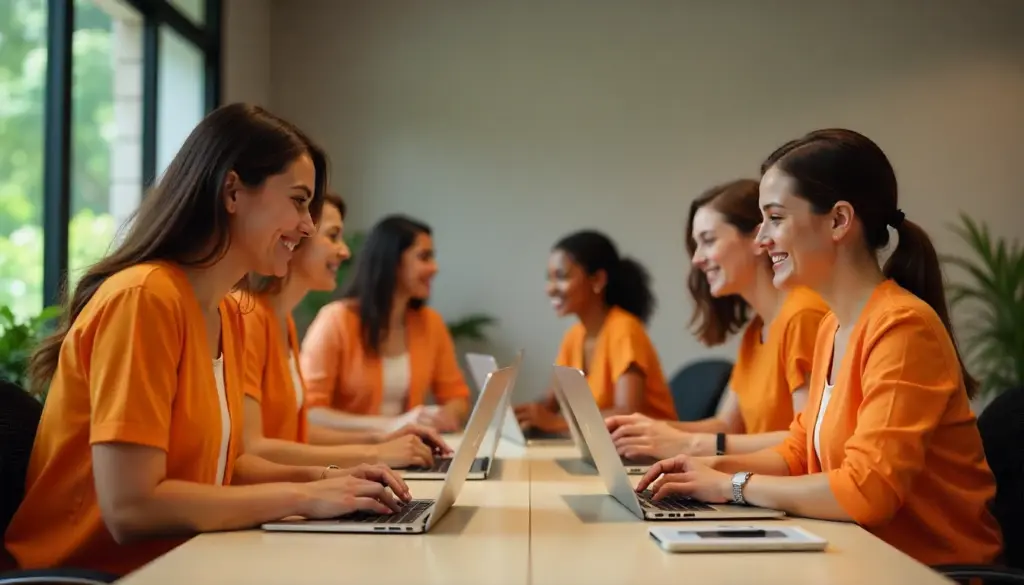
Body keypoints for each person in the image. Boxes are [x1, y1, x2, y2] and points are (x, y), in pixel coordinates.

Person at [3, 104, 410, 577]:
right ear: (232, 191)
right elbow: (132, 508)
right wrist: (304, 496)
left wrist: (332, 481)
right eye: (299, 201)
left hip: (181, 561)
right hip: (94, 574)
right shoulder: (144, 299)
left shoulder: (226, 311)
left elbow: (224, 468)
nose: (307, 226)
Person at [637, 128, 1003, 566]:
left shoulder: (904, 328)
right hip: (855, 557)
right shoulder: (834, 326)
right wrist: (709, 470)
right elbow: (800, 449)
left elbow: (869, 492)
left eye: (775, 218)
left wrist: (732, 485)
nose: (761, 240)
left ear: (838, 221)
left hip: (924, 571)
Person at [605, 180, 828, 460]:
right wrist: (642, 430)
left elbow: (809, 441)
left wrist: (689, 444)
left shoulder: (804, 316)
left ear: (759, 240)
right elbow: (725, 426)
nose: (697, 259)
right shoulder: (756, 330)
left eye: (708, 241)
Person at [240, 191, 453, 471]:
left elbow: (299, 435)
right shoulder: (249, 315)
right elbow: (253, 449)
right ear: (295, 238)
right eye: (333, 236)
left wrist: (381, 440)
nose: (345, 251)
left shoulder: (282, 321)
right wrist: (375, 452)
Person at [301, 215, 471, 433]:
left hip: (409, 451)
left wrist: (447, 414)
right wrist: (392, 425)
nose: (434, 268)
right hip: (348, 456)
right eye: (424, 257)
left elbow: (456, 396)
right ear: (392, 262)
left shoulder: (430, 323)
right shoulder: (336, 320)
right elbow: (310, 412)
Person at [514, 230, 677, 434]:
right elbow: (551, 402)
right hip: (606, 452)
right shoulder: (573, 336)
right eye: (549, 278)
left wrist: (556, 423)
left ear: (597, 280)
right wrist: (523, 414)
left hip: (648, 456)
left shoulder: (624, 329)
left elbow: (628, 413)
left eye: (562, 277)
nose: (551, 289)